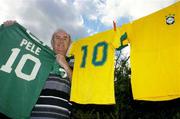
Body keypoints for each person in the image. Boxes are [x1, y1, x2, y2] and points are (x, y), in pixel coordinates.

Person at [3, 20, 73, 119]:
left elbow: (80, 88)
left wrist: (66, 66)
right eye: (57, 38)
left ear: (70, 43)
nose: (61, 41)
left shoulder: (74, 63)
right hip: (33, 115)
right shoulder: (38, 59)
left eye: (65, 38)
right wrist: (10, 29)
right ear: (52, 42)